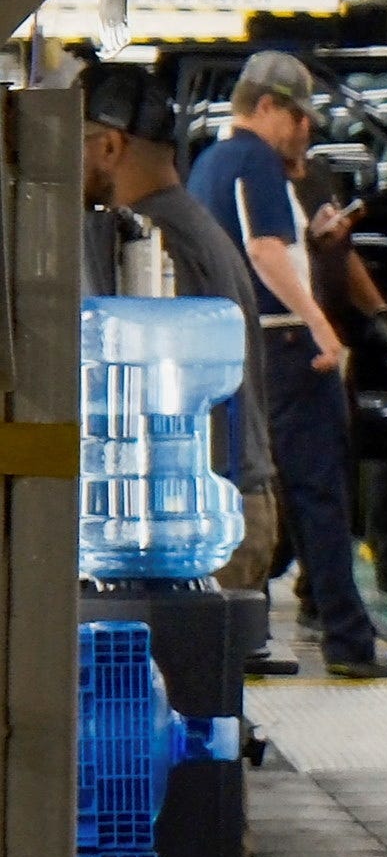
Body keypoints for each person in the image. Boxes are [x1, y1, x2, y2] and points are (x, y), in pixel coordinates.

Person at [190, 47, 387, 680]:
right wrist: (324, 331)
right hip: (284, 347)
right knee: (319, 494)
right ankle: (349, 643)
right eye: (299, 118)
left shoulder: (209, 165)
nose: (305, 132)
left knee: (244, 487)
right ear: (268, 107)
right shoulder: (256, 162)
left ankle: (242, 631)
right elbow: (267, 250)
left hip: (233, 349)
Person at [77, 63, 277, 599]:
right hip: (213, 508)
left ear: (111, 147)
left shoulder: (145, 241)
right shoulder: (185, 225)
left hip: (196, 523)